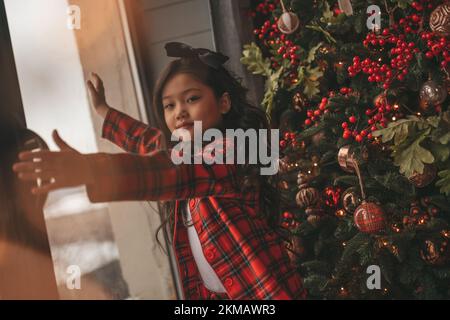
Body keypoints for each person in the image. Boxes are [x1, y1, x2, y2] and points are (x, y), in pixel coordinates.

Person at [13, 42, 306, 300]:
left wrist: (92, 170)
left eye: (192, 99)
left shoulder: (234, 149)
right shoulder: (186, 151)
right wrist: (104, 110)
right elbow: (150, 143)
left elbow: (176, 171)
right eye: (169, 105)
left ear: (224, 102)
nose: (179, 112)